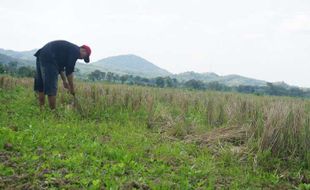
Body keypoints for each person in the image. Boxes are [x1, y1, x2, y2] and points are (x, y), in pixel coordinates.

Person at [34, 40, 91, 109]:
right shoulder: (75, 51)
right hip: (49, 57)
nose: (82, 59)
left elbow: (60, 67)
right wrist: (72, 88)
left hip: (42, 54)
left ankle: (41, 109)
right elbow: (69, 71)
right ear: (83, 50)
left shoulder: (68, 50)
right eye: (85, 57)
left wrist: (64, 81)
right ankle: (53, 113)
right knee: (52, 87)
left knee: (41, 86)